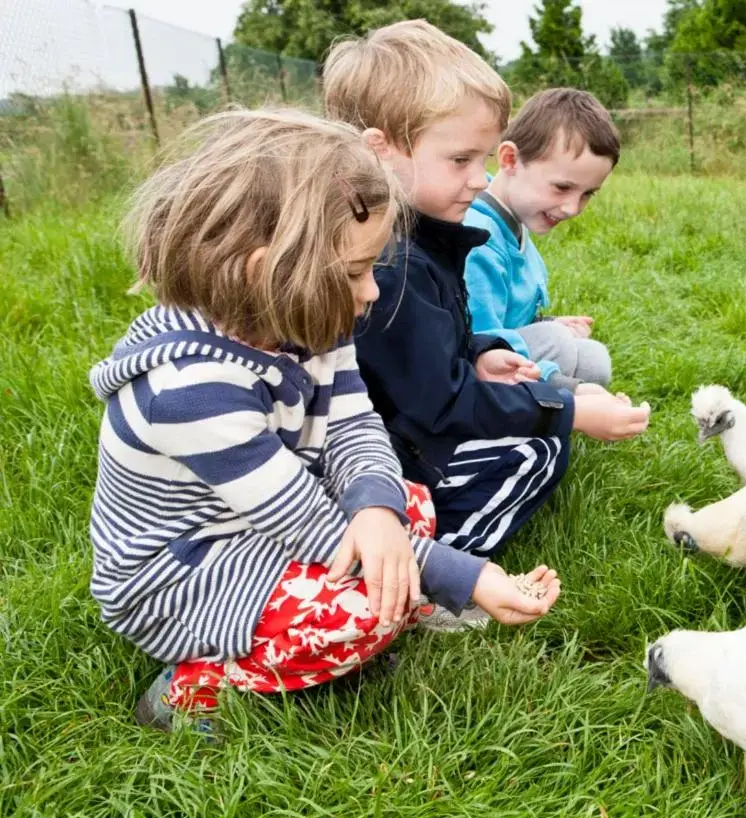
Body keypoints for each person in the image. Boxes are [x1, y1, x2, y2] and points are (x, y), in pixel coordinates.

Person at [87, 109, 560, 732]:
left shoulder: (307, 321)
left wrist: (373, 508)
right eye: (356, 273)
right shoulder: (189, 391)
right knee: (358, 613)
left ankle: (402, 595)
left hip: (258, 534)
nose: (371, 294)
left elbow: (354, 426)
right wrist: (464, 575)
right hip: (184, 578)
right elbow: (307, 525)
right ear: (266, 272)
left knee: (402, 504)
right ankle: (194, 685)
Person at [322, 21, 649, 631]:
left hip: (395, 446)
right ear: (380, 150)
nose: (478, 179)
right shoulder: (391, 267)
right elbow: (439, 406)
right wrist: (564, 408)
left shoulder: (418, 239)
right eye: (460, 159)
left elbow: (433, 359)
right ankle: (434, 579)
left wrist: (481, 351)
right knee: (536, 451)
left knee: (543, 438)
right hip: (383, 464)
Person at [464, 88, 620, 393]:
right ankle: (535, 410)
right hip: (479, 359)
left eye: (587, 194)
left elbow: (507, 310)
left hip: (504, 343)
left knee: (593, 360)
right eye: (562, 187)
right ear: (510, 159)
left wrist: (548, 320)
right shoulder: (478, 237)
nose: (573, 208)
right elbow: (479, 338)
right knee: (557, 343)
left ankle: (545, 399)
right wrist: (566, 385)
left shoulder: (513, 216)